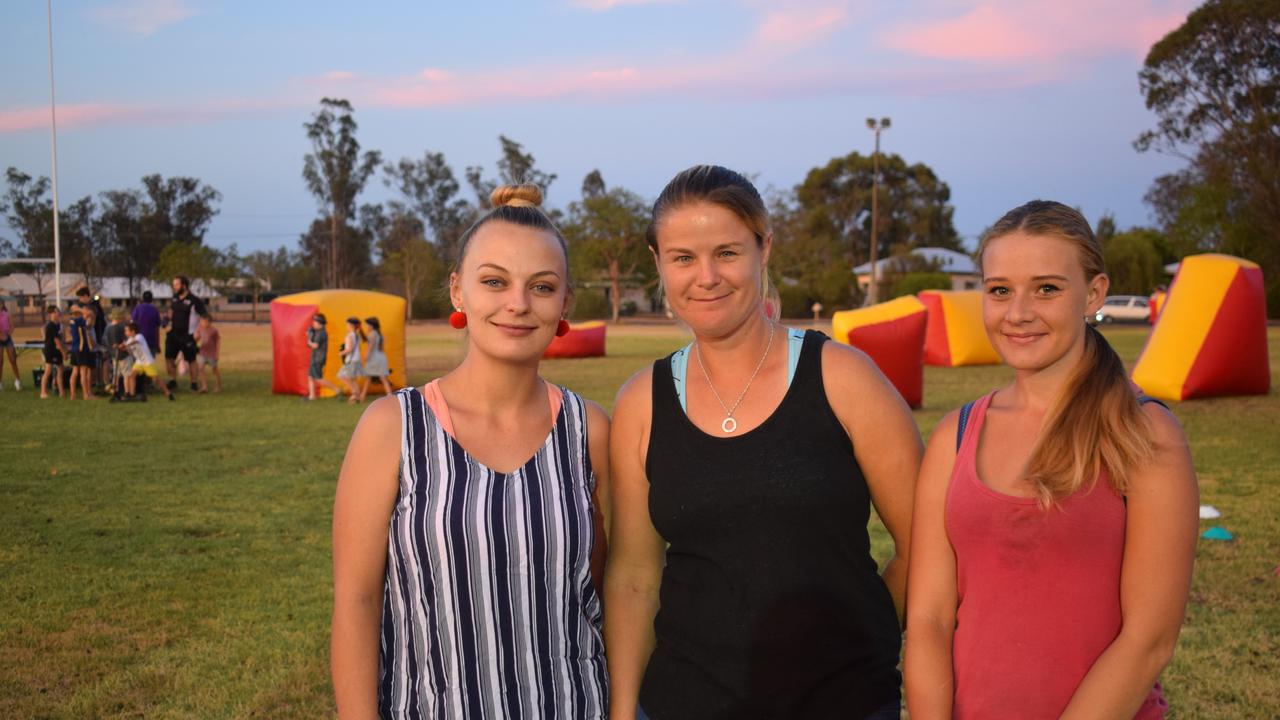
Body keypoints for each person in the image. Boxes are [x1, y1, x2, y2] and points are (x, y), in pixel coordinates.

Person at [605, 165, 920, 720]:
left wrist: (856, 632)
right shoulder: (641, 402)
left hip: (843, 702)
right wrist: (625, 710)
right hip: (682, 703)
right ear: (658, 262)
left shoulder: (844, 378)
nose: (706, 277)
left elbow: (925, 548)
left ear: (763, 249)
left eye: (727, 252)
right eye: (683, 258)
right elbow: (634, 578)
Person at [903, 201, 1198, 720]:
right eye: (999, 290)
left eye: (1047, 289)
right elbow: (928, 619)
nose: (1018, 312)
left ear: (1095, 293)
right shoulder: (957, 434)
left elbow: (1148, 640)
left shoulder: (1145, 434)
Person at [331, 184, 609, 719]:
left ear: (565, 302)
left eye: (542, 287)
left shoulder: (589, 431)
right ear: (459, 291)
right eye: (494, 282)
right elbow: (357, 603)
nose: (518, 305)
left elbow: (608, 590)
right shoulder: (393, 426)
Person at [165, 275, 208, 394]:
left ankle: (193, 383)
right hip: (173, 334)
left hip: (188, 335)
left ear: (184, 285)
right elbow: (170, 312)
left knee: (191, 359)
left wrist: (199, 331)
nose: (174, 287)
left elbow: (204, 317)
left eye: (177, 285)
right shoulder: (174, 298)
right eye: (173, 285)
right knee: (169, 358)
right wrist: (165, 320)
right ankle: (173, 380)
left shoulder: (195, 300)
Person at [121, 322, 170, 401]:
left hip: (148, 362)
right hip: (139, 362)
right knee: (131, 376)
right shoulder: (129, 340)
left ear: (133, 331)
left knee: (155, 379)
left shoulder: (139, 336)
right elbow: (129, 351)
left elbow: (134, 342)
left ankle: (167, 392)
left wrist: (125, 345)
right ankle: (132, 395)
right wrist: (124, 348)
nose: (125, 332)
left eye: (127, 331)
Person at [306, 313, 341, 400]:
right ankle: (312, 396)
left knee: (318, 378)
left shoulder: (321, 333)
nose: (313, 324)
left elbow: (315, 345)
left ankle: (337, 389)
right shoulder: (318, 332)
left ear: (320, 323)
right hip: (315, 358)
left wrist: (308, 340)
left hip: (318, 359)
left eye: (315, 322)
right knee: (310, 377)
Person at [356, 316, 392, 401]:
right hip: (381, 357)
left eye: (367, 325)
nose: (367, 327)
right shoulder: (379, 334)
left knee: (369, 378)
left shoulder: (372, 334)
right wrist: (360, 330)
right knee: (382, 379)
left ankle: (362, 397)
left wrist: (365, 356)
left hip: (374, 359)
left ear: (371, 326)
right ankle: (390, 396)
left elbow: (370, 346)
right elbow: (379, 347)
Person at [68, 305, 97, 401]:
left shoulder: (72, 321)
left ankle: (72, 395)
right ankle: (86, 395)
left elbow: (90, 319)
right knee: (83, 372)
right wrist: (78, 309)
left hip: (74, 348)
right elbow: (90, 313)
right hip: (81, 348)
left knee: (75, 372)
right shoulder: (78, 320)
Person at [335, 317, 365, 403]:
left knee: (342, 376)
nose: (346, 326)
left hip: (351, 360)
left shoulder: (349, 336)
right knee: (352, 378)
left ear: (351, 325)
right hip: (356, 359)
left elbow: (349, 349)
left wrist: (342, 353)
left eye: (347, 324)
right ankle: (357, 395)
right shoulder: (357, 335)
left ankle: (354, 394)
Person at [40, 305, 65, 399]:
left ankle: (61, 392)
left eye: (57, 311)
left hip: (57, 351)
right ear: (50, 314)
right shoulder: (50, 325)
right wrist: (63, 352)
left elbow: (61, 339)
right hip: (50, 350)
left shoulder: (58, 325)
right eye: (55, 312)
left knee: (60, 370)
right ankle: (43, 392)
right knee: (48, 371)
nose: (57, 313)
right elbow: (56, 341)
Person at [102, 309, 129, 399]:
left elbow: (105, 341)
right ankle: (127, 392)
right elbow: (126, 339)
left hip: (114, 354)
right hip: (123, 354)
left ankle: (115, 391)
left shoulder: (108, 328)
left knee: (116, 375)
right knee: (126, 375)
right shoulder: (121, 327)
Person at [194, 314, 222, 393]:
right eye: (201, 321)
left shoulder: (214, 330)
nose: (202, 323)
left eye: (203, 321)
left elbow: (218, 341)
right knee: (200, 369)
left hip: (211, 354)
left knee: (214, 370)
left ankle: (218, 386)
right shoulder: (199, 328)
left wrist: (217, 353)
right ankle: (204, 386)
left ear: (209, 322)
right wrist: (196, 339)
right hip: (202, 352)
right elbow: (196, 339)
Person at [131, 290, 162, 356]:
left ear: (142, 298)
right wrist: (157, 344)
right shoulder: (155, 310)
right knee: (150, 365)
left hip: (139, 341)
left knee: (139, 363)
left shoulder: (137, 309)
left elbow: (132, 326)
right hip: (151, 342)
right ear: (151, 299)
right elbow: (157, 329)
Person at [0, 299, 20, 391]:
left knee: (13, 360)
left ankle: (18, 380)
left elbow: (12, 326)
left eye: (1, 303)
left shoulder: (7, 314)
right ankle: (0, 383)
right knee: (0, 362)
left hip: (8, 339)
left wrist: (7, 335)